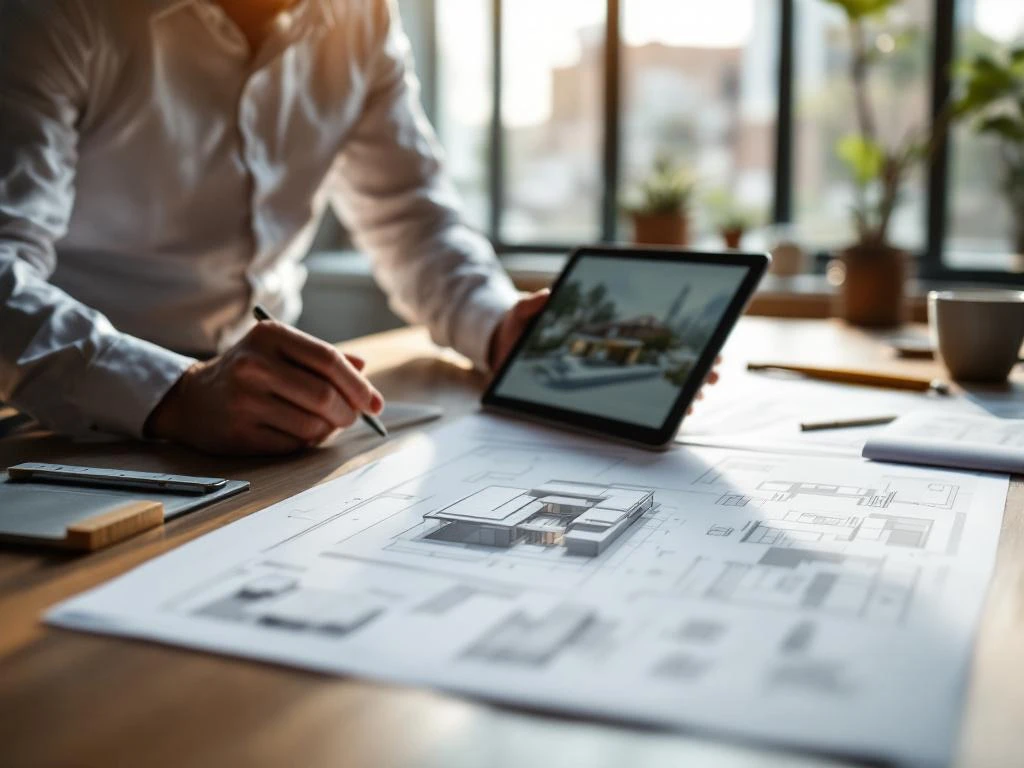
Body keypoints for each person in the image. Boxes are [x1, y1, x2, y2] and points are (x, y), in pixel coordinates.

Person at [0, 0, 713, 455]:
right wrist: (175, 391)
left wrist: (500, 327)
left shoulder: (361, 17)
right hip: (57, 426)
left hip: (274, 430)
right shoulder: (55, 16)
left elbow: (412, 217)